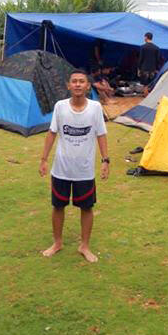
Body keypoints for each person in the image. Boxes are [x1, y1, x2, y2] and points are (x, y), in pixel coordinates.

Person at [39, 69, 110, 263]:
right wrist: (44, 159)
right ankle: (57, 242)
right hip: (61, 168)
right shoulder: (60, 107)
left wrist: (105, 160)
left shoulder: (95, 108)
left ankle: (84, 246)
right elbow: (52, 133)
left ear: (88, 86)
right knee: (58, 206)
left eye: (82, 81)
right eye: (74, 81)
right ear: (68, 86)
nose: (78, 84)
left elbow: (101, 135)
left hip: (85, 171)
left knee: (87, 208)